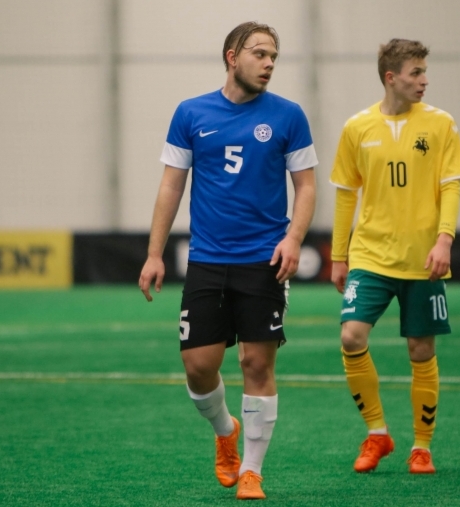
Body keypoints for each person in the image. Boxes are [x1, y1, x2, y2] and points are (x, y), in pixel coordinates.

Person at [139, 22, 317, 500]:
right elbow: (171, 185)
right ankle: (225, 431)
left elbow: (306, 186)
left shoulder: (289, 116)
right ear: (231, 56)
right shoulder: (190, 113)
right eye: (260, 54)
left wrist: (294, 238)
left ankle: (253, 471)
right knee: (198, 366)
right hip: (207, 260)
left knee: (257, 363)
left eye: (274, 56)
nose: (269, 64)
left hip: (264, 260)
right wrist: (155, 253)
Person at [329, 39, 460, 475]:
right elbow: (345, 194)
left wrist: (444, 239)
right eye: (415, 72)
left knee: (420, 349)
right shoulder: (357, 127)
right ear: (391, 77)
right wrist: (338, 254)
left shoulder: (442, 124)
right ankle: (377, 433)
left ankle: (421, 446)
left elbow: (451, 184)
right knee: (352, 336)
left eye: (424, 71)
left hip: (421, 258)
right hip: (370, 255)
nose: (424, 80)